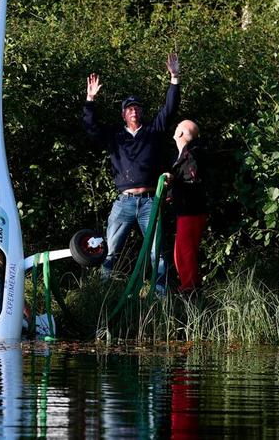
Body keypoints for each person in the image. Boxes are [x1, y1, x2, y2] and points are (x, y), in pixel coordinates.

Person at [83, 53, 181, 289]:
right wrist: (90, 99)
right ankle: (104, 292)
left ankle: (159, 295)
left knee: (156, 252)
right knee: (111, 249)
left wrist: (175, 78)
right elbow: (91, 128)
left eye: (137, 107)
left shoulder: (153, 131)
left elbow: (169, 110)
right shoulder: (115, 137)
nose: (134, 111)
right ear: (123, 114)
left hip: (151, 201)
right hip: (124, 203)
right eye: (129, 108)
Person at [164, 120, 207, 292]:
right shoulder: (186, 154)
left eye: (176, 128)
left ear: (180, 134)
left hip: (191, 210)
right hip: (189, 210)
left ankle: (190, 291)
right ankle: (191, 286)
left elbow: (192, 180)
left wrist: (174, 182)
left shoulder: (191, 154)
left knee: (184, 253)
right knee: (183, 252)